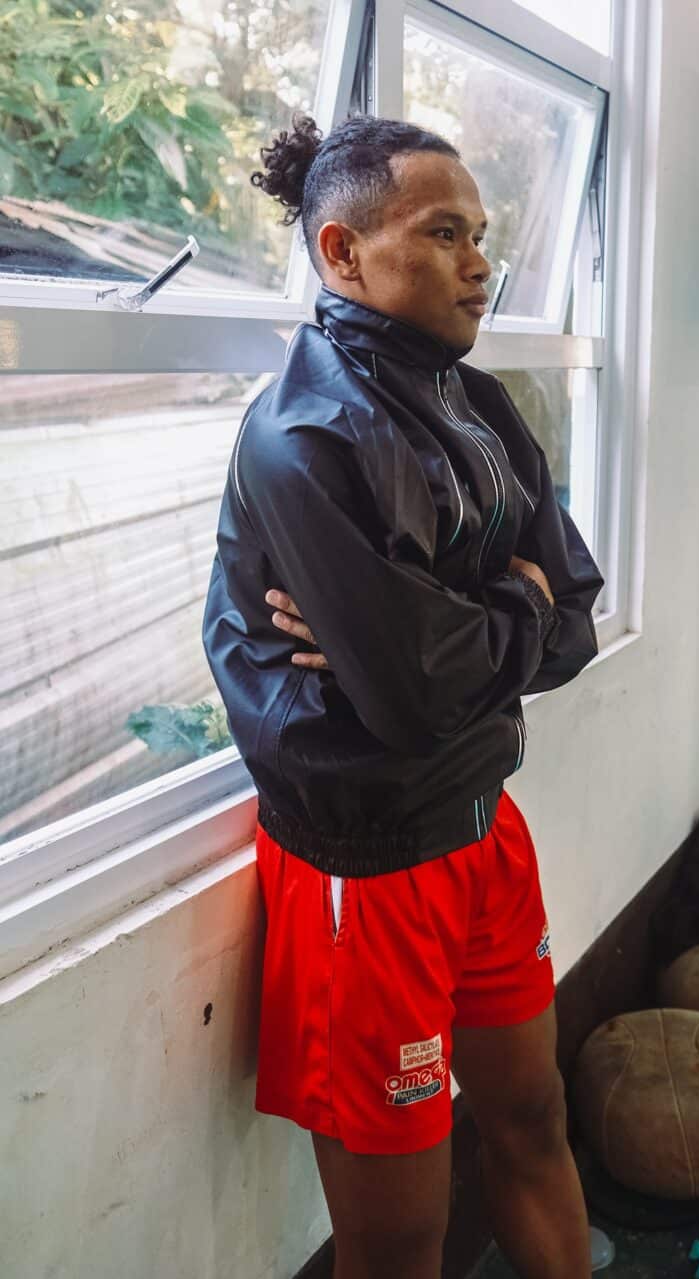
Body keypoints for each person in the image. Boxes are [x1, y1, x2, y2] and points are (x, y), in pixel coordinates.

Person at [201, 112, 605, 1279]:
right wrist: (510, 599)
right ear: (343, 252)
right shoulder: (300, 436)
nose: (480, 263)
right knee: (398, 1239)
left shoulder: (480, 406)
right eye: (443, 233)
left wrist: (475, 618)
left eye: (480, 234)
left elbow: (573, 616)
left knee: (533, 1116)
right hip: (366, 869)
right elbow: (417, 690)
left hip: (483, 822)